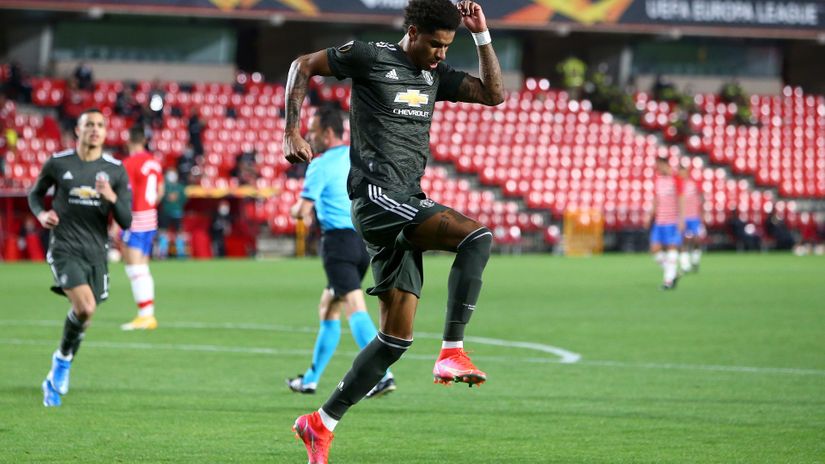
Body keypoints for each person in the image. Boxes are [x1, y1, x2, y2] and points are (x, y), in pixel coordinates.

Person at [282, 1, 504, 462]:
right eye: (436, 44)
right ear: (414, 32)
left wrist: (481, 34)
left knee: (395, 339)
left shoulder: (434, 76)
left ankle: (320, 423)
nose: (441, 54)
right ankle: (452, 350)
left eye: (448, 47)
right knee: (476, 237)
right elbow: (302, 64)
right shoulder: (370, 56)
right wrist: (291, 131)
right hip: (377, 198)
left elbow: (492, 93)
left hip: (404, 202)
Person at [286, 106, 395, 399]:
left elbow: (303, 210)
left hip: (338, 244)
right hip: (363, 241)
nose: (309, 136)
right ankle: (310, 379)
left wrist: (295, 210)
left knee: (353, 305)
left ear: (327, 133)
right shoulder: (357, 157)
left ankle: (383, 374)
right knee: (329, 306)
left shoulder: (319, 166)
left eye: (313, 131)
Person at [27, 108, 132, 407]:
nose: (95, 130)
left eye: (100, 125)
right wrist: (42, 214)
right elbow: (35, 194)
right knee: (85, 307)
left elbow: (126, 220)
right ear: (78, 130)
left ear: (105, 132)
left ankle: (57, 371)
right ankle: (61, 362)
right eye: (89, 125)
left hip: (96, 253)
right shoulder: (59, 163)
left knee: (85, 317)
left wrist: (112, 197)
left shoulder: (115, 170)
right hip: (64, 248)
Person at [120, 126, 164, 330]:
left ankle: (145, 316)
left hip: (136, 218)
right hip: (150, 217)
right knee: (142, 266)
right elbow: (160, 191)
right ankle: (147, 314)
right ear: (145, 142)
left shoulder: (129, 163)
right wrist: (150, 207)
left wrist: (117, 220)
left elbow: (125, 194)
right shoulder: (154, 162)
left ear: (128, 141)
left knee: (134, 267)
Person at [647, 156, 684, 290]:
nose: (657, 168)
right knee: (654, 249)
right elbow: (656, 199)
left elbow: (681, 198)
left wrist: (681, 218)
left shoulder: (675, 179)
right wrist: (650, 215)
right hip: (659, 220)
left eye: (658, 165)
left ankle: (668, 281)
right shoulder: (658, 180)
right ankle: (673, 273)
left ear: (664, 164)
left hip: (672, 220)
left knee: (671, 248)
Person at [678, 165, 703, 273]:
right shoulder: (678, 185)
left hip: (694, 216)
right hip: (682, 217)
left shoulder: (694, 184)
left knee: (696, 239)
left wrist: (701, 213)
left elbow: (701, 199)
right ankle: (685, 264)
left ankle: (695, 259)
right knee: (684, 240)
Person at [158, 168, 187, 259]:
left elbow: (184, 199)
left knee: (179, 232)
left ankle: (181, 252)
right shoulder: (163, 186)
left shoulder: (180, 187)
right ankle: (162, 252)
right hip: (165, 212)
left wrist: (177, 201)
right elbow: (160, 197)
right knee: (163, 232)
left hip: (177, 213)